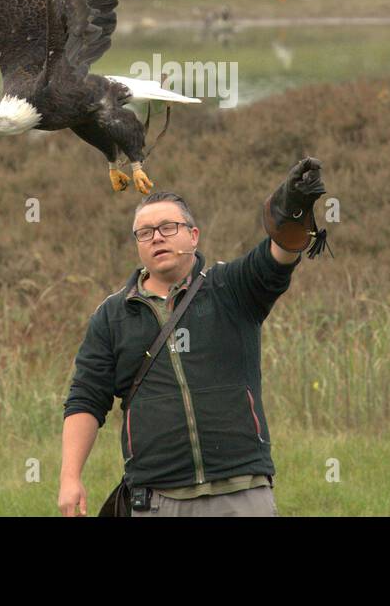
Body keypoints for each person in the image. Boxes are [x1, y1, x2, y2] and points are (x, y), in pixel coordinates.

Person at [58, 157, 328, 516]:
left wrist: (293, 216)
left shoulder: (231, 287)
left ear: (193, 235)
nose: (156, 237)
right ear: (138, 244)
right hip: (156, 499)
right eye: (145, 232)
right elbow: (86, 399)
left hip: (241, 492)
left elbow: (278, 257)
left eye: (168, 227)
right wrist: (70, 477)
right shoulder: (112, 315)